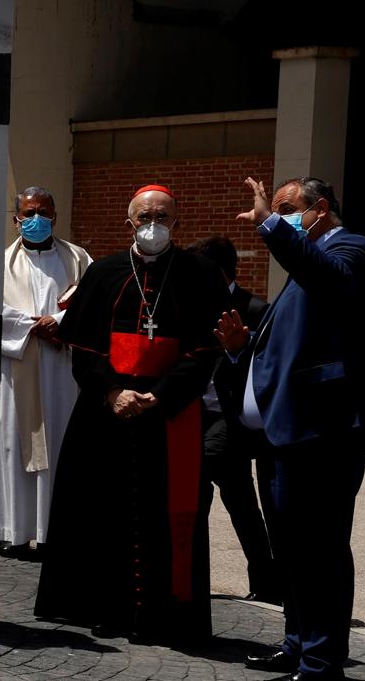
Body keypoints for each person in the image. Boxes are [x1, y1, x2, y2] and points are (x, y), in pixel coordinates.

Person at [33, 185, 229, 643]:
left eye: (162, 216)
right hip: (107, 414)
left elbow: (204, 353)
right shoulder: (103, 273)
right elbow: (84, 351)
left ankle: (166, 615)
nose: (153, 224)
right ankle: (104, 608)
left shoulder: (200, 274)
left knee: (169, 515)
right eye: (145, 217)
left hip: (170, 415)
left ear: (176, 223)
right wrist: (113, 392)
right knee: (100, 510)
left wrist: (160, 395)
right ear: (130, 223)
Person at [216, 177, 365, 681]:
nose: (282, 214)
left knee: (320, 548)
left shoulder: (353, 249)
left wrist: (270, 222)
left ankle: (321, 661)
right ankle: (296, 643)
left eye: (291, 208)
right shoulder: (303, 264)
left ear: (322, 209)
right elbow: (290, 346)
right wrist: (240, 348)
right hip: (284, 432)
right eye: (279, 209)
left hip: (326, 431)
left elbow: (329, 279)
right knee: (291, 547)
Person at [0, 186, 93, 559]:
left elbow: (96, 299)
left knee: (60, 442)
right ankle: (15, 530)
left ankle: (56, 531)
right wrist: (33, 327)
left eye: (43, 212)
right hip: (17, 366)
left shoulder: (79, 258)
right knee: (13, 445)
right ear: (16, 218)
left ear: (54, 215)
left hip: (63, 369)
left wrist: (63, 323)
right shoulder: (1, 263)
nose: (35, 219)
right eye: (28, 212)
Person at [190, 236, 280, 604]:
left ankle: (265, 581)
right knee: (240, 499)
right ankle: (261, 580)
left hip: (231, 418)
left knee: (212, 488)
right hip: (194, 411)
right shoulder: (194, 303)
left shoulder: (256, 309)